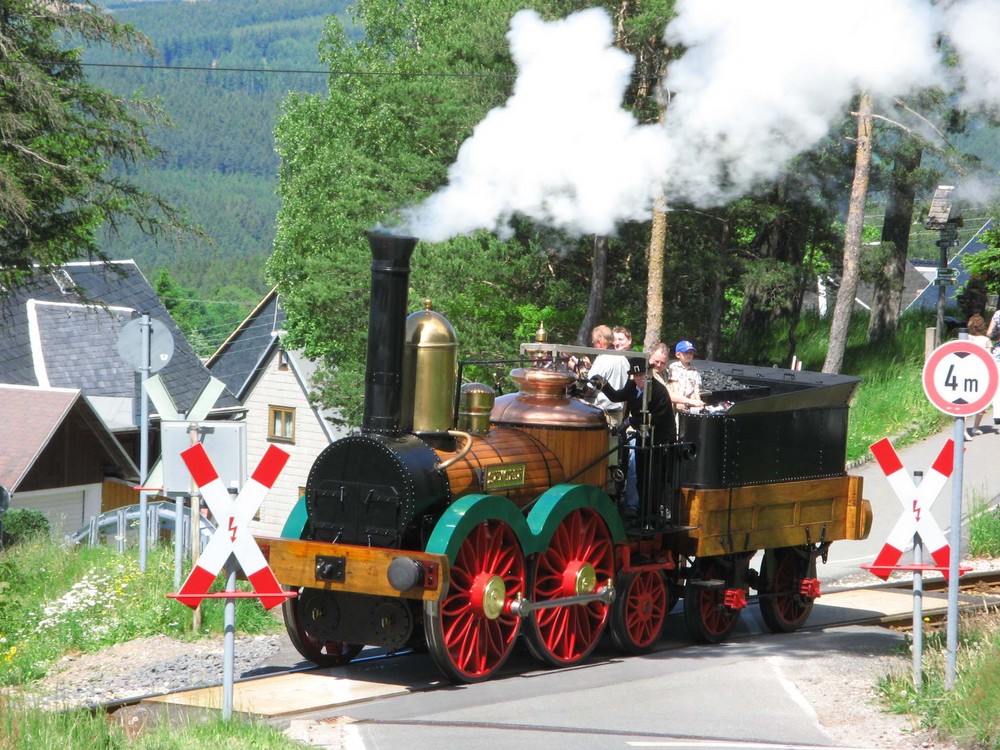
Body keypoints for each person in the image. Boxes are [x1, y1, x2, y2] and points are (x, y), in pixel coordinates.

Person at [597, 356, 676, 519]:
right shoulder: (632, 386)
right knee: (640, 475)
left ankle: (652, 514)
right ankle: (641, 511)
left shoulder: (659, 391)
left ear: (650, 373)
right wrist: (603, 385)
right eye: (637, 376)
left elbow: (657, 417)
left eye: (643, 375)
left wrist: (630, 421)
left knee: (654, 477)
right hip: (642, 436)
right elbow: (617, 396)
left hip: (660, 439)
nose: (640, 379)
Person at [586, 325, 629, 428]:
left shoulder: (602, 360)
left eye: (594, 342)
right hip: (619, 414)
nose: (594, 346)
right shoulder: (624, 359)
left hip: (603, 415)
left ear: (599, 342)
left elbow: (590, 386)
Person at [967, 314, 992, 437]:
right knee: (981, 401)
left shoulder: (965, 338)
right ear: (982, 327)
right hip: (980, 373)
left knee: (964, 401)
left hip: (965, 372)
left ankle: (962, 427)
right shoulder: (985, 341)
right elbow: (988, 358)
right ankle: (975, 427)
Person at [667, 340, 706, 411]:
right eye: (686, 353)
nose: (689, 355)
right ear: (678, 354)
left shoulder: (694, 370)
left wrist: (698, 401)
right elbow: (674, 385)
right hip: (677, 400)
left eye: (691, 353)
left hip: (690, 401)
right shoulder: (674, 367)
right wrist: (678, 401)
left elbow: (696, 388)